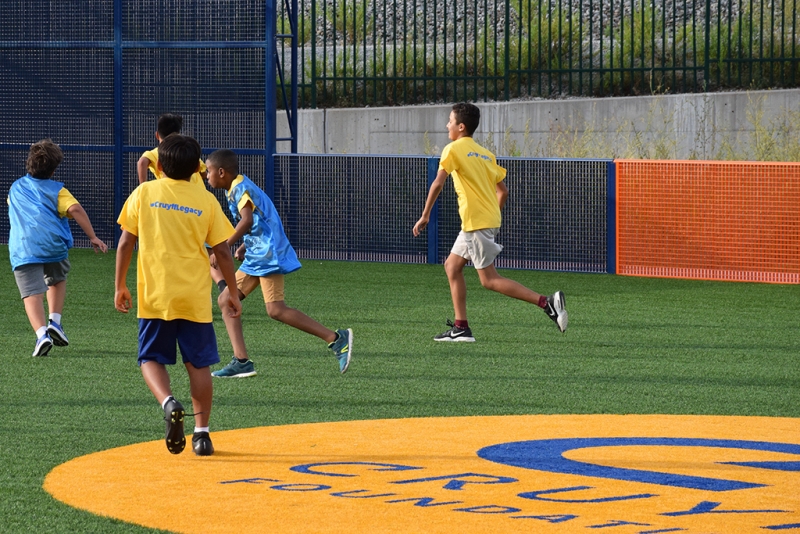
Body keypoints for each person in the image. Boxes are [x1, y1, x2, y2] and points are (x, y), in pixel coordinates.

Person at [115, 134, 241, 457]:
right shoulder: (205, 200)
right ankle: (202, 435)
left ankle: (169, 402)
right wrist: (232, 292)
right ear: (197, 168)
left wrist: (120, 285)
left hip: (156, 296)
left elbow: (126, 242)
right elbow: (223, 252)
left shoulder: (144, 193)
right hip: (194, 299)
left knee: (150, 359)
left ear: (160, 165)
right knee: (198, 365)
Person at [413, 102, 568, 341]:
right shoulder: (485, 154)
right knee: (452, 267)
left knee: (489, 280)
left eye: (450, 121)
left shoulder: (452, 149)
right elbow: (502, 192)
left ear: (461, 127)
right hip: (482, 222)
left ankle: (546, 302)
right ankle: (461, 327)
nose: (447, 125)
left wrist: (425, 216)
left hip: (476, 223)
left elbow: (438, 183)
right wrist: (489, 215)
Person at [204, 148, 352, 378]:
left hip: (268, 253)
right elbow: (258, 219)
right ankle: (241, 360)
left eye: (208, 171)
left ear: (221, 172)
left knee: (276, 310)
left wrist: (226, 245)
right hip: (259, 252)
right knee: (226, 300)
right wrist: (246, 244)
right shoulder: (237, 186)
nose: (206, 176)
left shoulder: (240, 187)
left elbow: (247, 219)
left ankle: (336, 338)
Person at [8, 139, 108, 357]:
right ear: (54, 170)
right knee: (57, 279)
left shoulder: (15, 188)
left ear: (29, 164)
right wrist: (92, 237)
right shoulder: (58, 191)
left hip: (24, 249)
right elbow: (76, 209)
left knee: (31, 294)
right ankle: (56, 321)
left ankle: (42, 334)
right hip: (53, 246)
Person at [137, 113, 207, 186]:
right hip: (197, 191)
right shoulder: (187, 150)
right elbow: (204, 174)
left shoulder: (157, 152)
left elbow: (142, 162)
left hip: (173, 191)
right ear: (178, 134)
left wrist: (142, 186)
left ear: (157, 135)